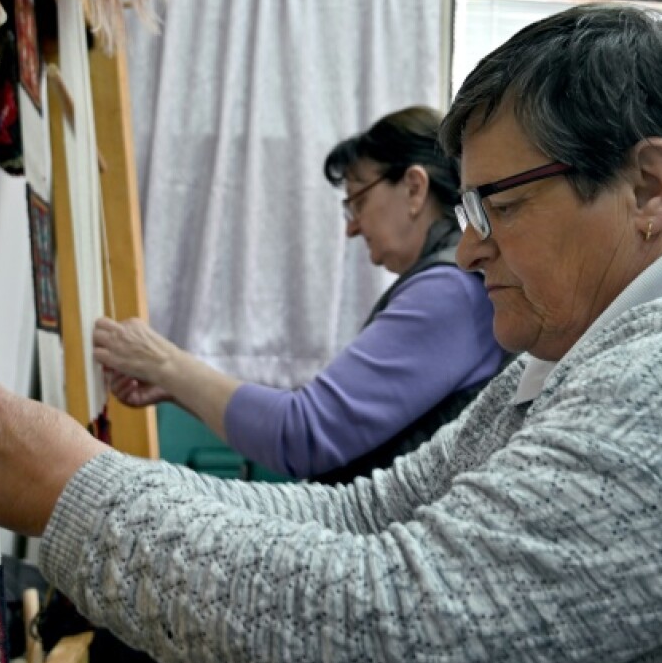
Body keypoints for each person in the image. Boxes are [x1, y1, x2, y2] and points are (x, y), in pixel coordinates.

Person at [0, 3, 662, 663]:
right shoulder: (599, 353)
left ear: (648, 187)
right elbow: (368, 517)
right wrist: (74, 471)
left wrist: (71, 490)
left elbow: (388, 633)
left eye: (499, 204)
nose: (466, 250)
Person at [92, 105, 508, 484]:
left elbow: (302, 435)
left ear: (414, 188)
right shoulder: (451, 286)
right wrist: (175, 385)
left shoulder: (449, 292)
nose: (352, 227)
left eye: (357, 201)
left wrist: (165, 364)